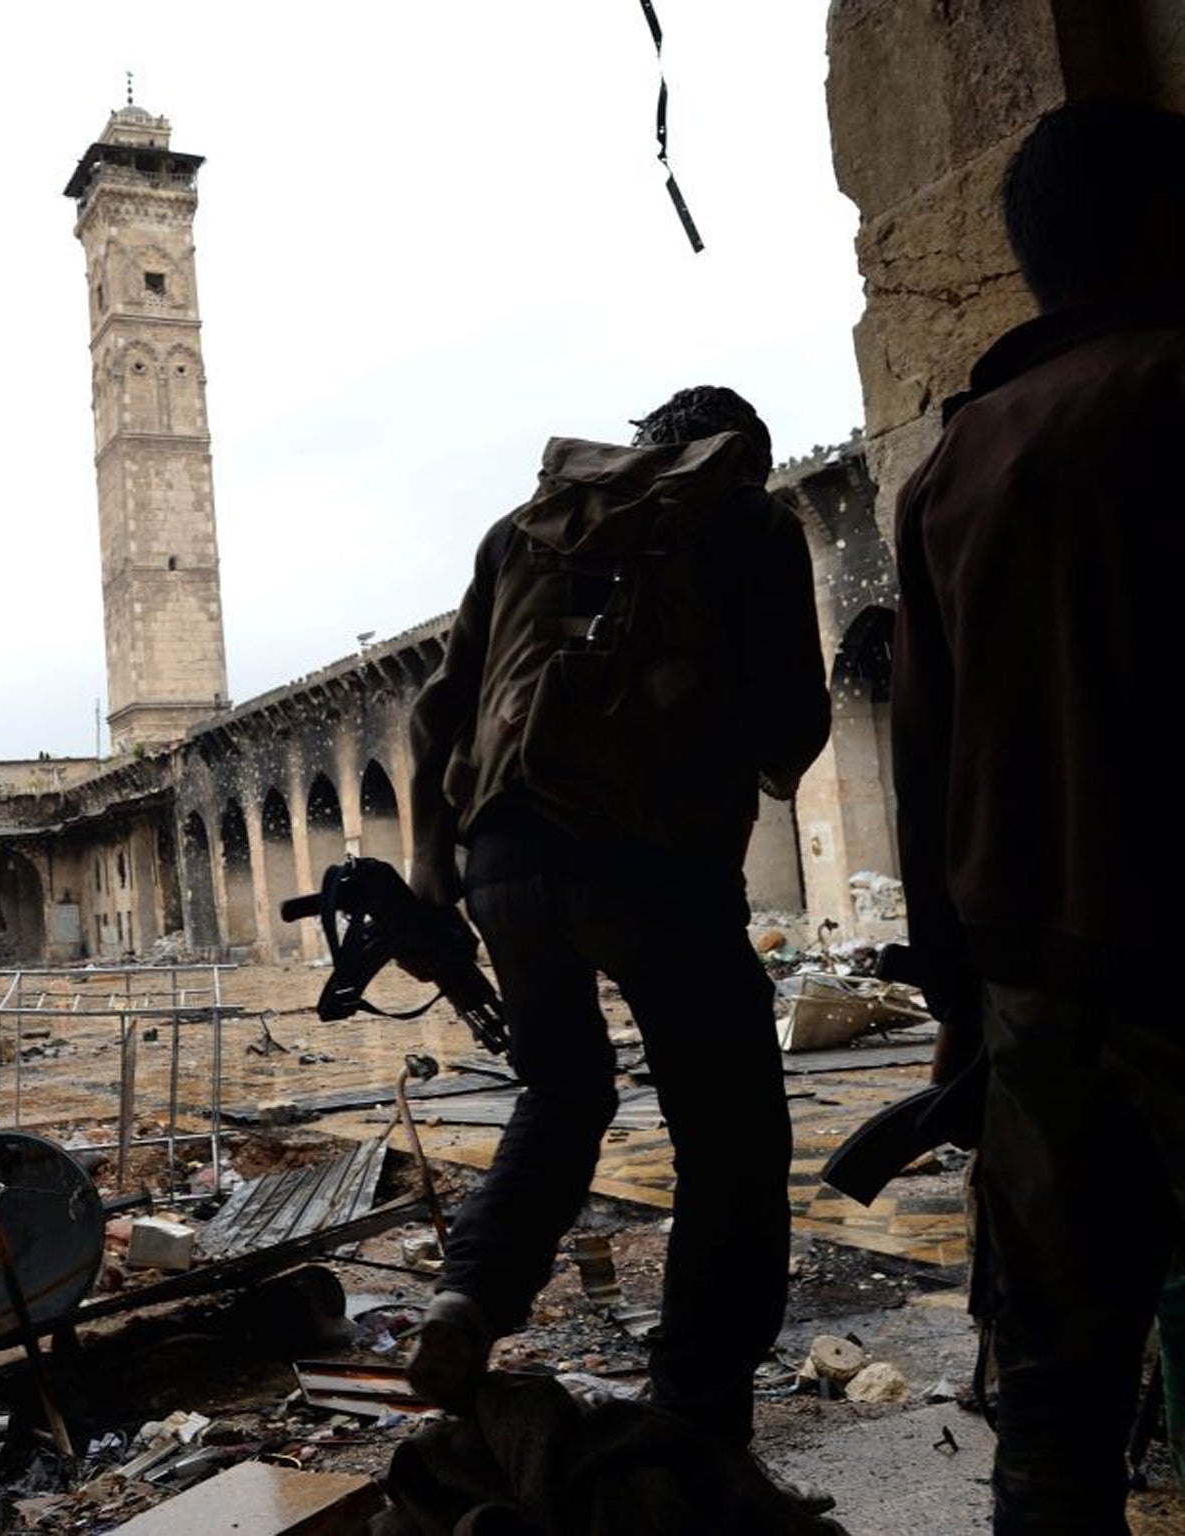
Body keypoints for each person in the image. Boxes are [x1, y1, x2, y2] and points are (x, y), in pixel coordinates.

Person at [403, 386, 831, 1447]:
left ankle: (468, 1300)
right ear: (742, 457)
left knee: (560, 1090)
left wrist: (428, 866)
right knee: (727, 1134)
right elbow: (789, 735)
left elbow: (437, 707)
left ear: (640, 445)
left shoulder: (525, 529)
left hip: (503, 855)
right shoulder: (748, 521)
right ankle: (694, 1422)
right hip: (654, 861)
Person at [889, 97, 1185, 1535]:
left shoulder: (954, 459)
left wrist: (958, 996)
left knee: (1057, 1391)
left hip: (1031, 993)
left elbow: (924, 764)